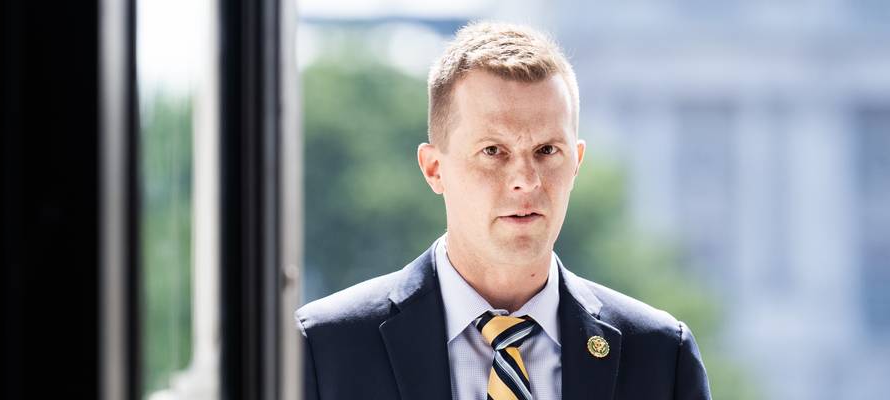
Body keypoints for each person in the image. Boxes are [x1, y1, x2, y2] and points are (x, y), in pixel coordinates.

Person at [297, 21, 712, 400]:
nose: (526, 180)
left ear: (576, 163)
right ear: (434, 168)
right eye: (493, 151)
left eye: (547, 150)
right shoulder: (323, 349)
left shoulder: (660, 356)